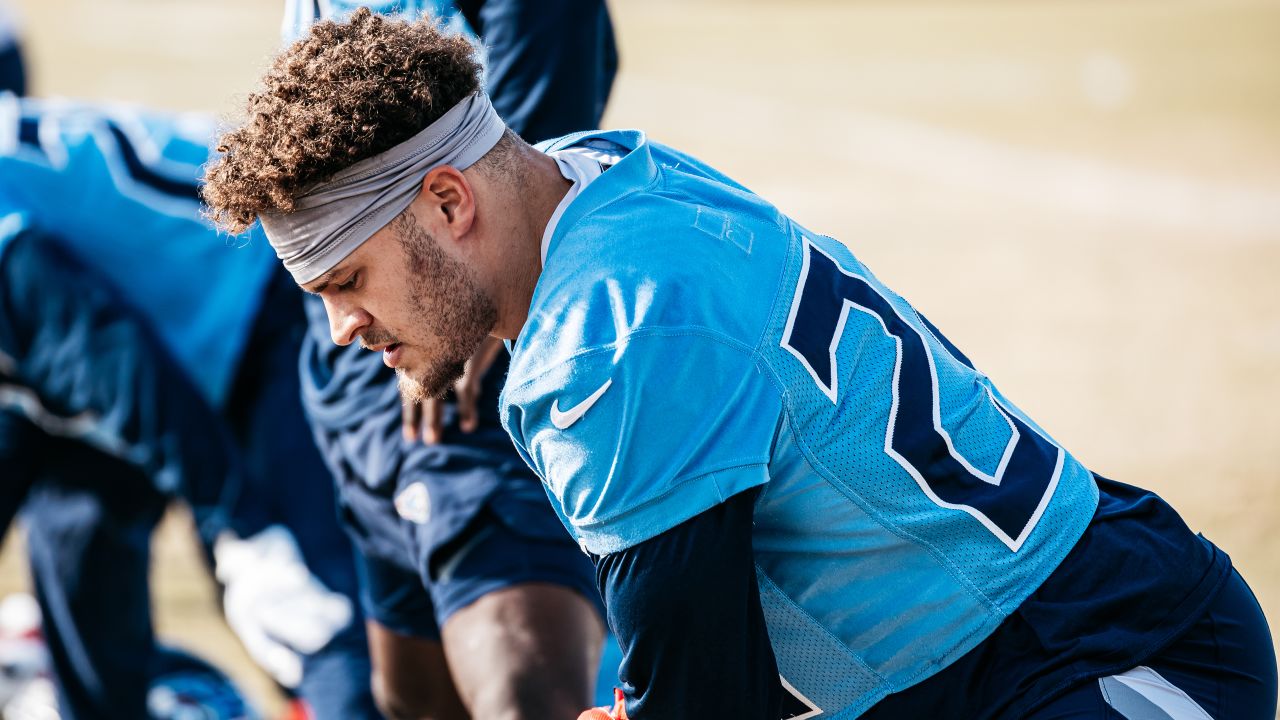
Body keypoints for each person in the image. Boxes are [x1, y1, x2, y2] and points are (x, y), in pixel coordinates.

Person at [203, 9, 1279, 720]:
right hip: (1003, 652)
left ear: (447, 201)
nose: (342, 329)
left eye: (346, 280)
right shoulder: (609, 180)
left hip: (1088, 660)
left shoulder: (605, 338)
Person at [272, 2, 620, 718]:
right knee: (414, 703)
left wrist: (488, 283)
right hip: (365, 370)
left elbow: (557, 25)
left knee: (523, 701)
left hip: (452, 329)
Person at [0, 94, 380, 720]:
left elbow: (114, 360)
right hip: (129, 329)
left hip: (250, 291)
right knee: (76, 555)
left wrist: (240, 527)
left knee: (302, 601)